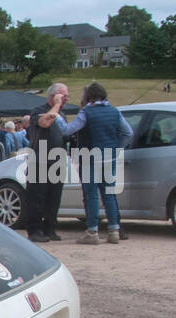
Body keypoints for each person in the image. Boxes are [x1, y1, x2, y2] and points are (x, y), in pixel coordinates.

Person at [52, 82, 134, 245]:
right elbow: (128, 132)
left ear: (88, 96)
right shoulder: (115, 111)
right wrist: (117, 146)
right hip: (109, 157)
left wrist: (57, 116)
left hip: (89, 157)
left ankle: (92, 231)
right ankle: (114, 231)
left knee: (91, 196)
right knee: (109, 194)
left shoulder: (86, 112)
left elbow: (68, 130)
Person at [26, 83, 71, 242]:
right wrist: (57, 105)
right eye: (63, 95)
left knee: (54, 197)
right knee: (37, 197)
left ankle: (50, 228)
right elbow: (45, 122)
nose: (66, 99)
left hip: (57, 160)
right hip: (39, 161)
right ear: (53, 96)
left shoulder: (61, 114)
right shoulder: (38, 111)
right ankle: (35, 230)